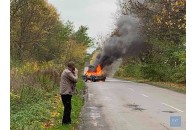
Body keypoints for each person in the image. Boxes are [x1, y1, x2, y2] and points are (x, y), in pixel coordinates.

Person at [60, 61, 78, 125]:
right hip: (66, 93)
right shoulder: (68, 72)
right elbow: (75, 80)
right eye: (74, 66)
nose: (75, 67)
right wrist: (76, 73)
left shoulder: (66, 71)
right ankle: (65, 122)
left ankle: (68, 121)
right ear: (71, 66)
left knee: (68, 107)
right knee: (67, 107)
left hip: (66, 92)